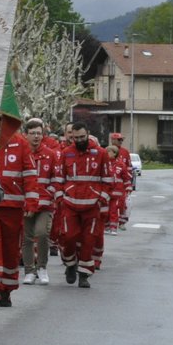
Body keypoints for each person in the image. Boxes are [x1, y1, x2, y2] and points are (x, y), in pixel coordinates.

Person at [0, 106, 38, 309]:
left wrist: (31, 202)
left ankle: (7, 290)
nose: (0, 123)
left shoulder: (21, 144)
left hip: (13, 206)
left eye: (4, 119)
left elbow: (29, 174)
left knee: (11, 251)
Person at [55, 122, 110, 289]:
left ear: (88, 134)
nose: (79, 140)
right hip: (70, 204)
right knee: (68, 236)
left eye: (82, 137)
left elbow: (108, 180)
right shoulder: (66, 153)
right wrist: (60, 199)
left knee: (88, 241)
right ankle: (70, 264)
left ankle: (84, 274)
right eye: (75, 138)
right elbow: (59, 179)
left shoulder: (100, 154)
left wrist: (101, 199)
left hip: (92, 206)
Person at [20, 118, 57, 285]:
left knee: (42, 234)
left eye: (39, 133)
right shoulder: (22, 153)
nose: (36, 136)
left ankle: (42, 267)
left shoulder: (50, 154)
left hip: (45, 204)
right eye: (32, 133)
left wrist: (48, 195)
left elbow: (57, 179)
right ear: (25, 135)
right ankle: (29, 270)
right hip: (26, 203)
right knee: (27, 237)